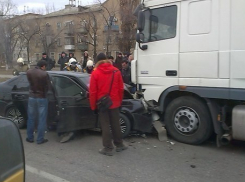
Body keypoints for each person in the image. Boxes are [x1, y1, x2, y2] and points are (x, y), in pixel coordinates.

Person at [89, 53, 128, 156]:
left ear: (97, 61)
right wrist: (119, 102)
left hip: (102, 103)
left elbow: (93, 92)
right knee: (116, 124)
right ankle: (119, 144)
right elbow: (121, 89)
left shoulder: (95, 73)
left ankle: (108, 147)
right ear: (106, 59)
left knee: (105, 125)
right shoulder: (116, 71)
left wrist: (93, 106)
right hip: (114, 102)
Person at [26, 60, 50, 144]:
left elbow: (30, 83)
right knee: (42, 119)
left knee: (31, 118)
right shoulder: (44, 74)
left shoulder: (29, 72)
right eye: (45, 67)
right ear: (43, 66)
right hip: (42, 97)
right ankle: (40, 139)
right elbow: (48, 87)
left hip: (32, 97)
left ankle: (30, 137)